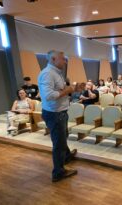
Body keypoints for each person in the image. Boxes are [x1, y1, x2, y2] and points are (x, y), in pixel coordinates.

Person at [38, 50, 78, 182]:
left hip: (60, 112)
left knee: (63, 137)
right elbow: (49, 96)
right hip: (55, 114)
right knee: (59, 143)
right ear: (53, 59)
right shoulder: (48, 74)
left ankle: (66, 156)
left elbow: (59, 91)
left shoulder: (57, 73)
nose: (65, 61)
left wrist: (70, 89)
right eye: (63, 59)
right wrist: (67, 90)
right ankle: (58, 172)